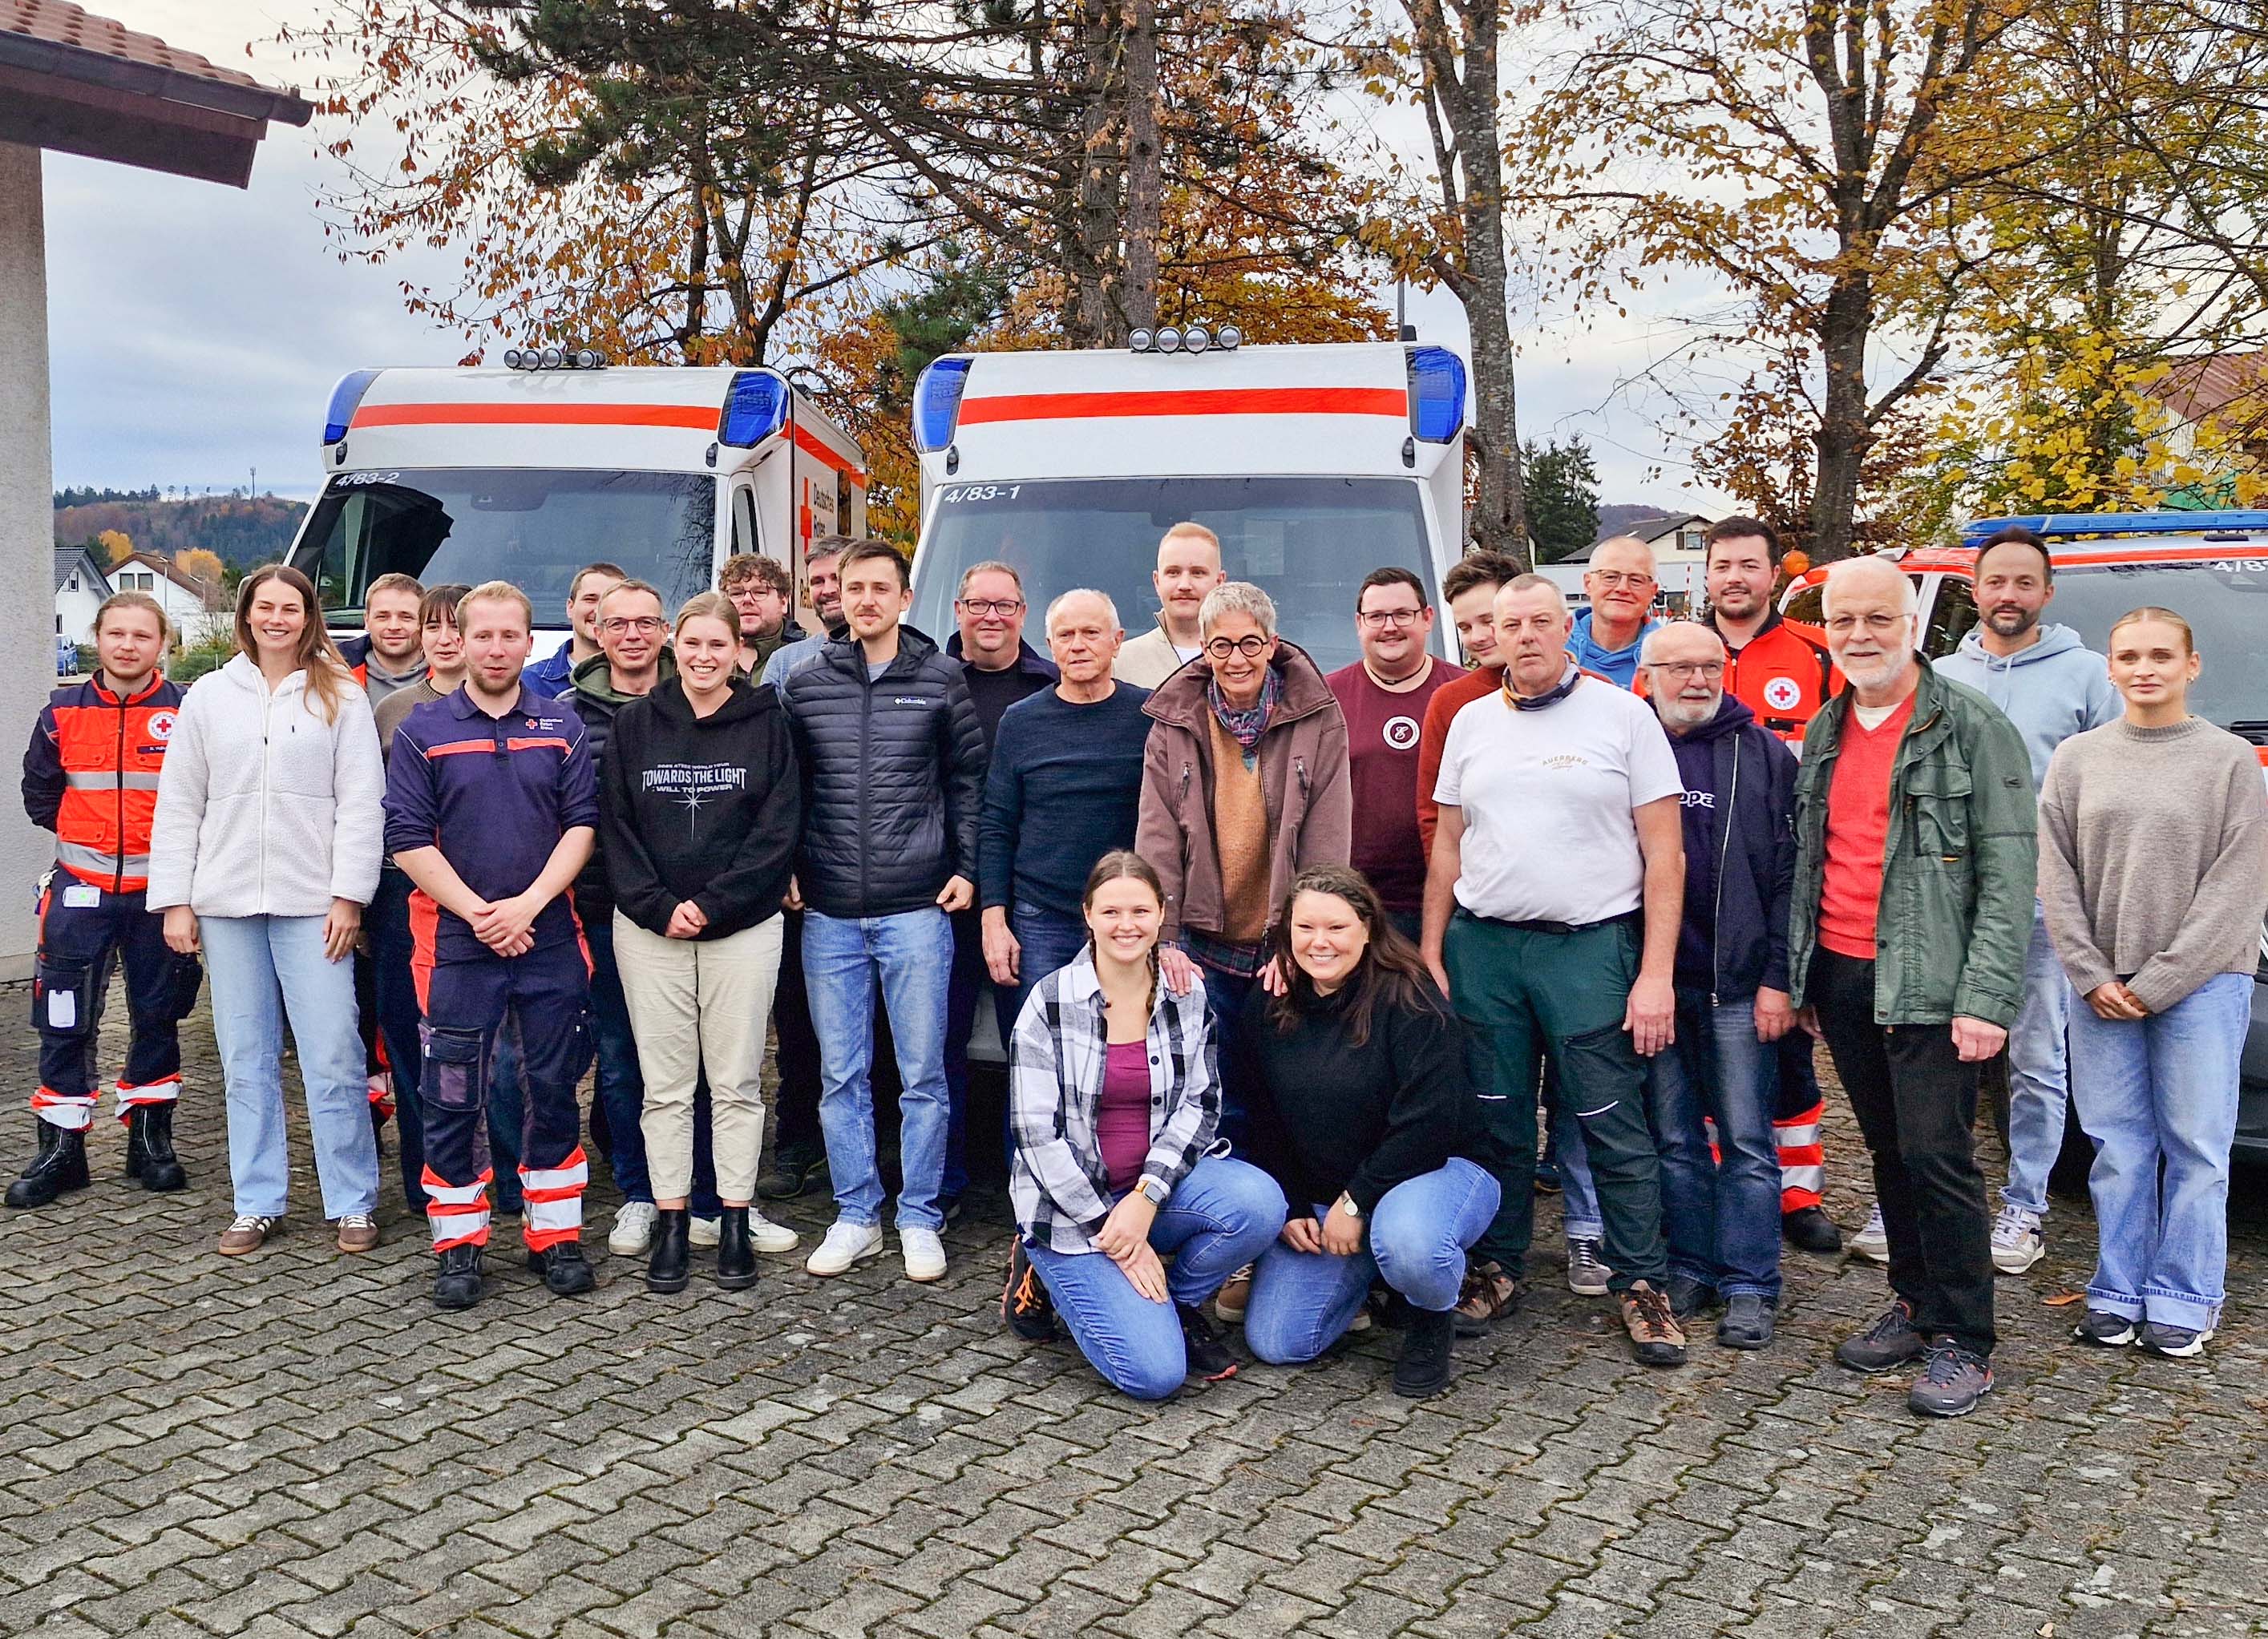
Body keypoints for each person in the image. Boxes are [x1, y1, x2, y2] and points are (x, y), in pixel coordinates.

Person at [1787, 555, 2035, 1418]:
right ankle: (1915, 1301)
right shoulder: (1825, 726)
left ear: (1913, 624)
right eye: (1842, 620)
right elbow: (1812, 859)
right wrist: (1805, 973)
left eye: (1877, 618)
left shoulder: (1971, 725)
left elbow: (2009, 870)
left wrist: (1986, 998)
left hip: (1934, 980)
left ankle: (1966, 1337)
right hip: (1844, 971)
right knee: (1889, 1152)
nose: (1859, 635)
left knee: (1939, 1156)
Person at [1422, 573, 1688, 1367]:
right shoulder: (1470, 721)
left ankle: (1640, 1281)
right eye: (1511, 625)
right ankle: (1498, 1265)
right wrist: (1433, 949)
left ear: (1565, 628)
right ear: (1492, 635)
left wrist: (1656, 973)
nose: (1527, 636)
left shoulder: (1624, 715)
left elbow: (1666, 853)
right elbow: (1447, 842)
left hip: (1589, 949)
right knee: (1495, 1118)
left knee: (1611, 1120)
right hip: (1485, 948)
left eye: (1541, 621)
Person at [2039, 608, 2268, 1359]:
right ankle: (2117, 1290)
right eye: (2129, 655)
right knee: (2116, 1144)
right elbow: (2055, 872)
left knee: (2196, 1145)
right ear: (2109, 667)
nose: (2144, 668)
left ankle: (2184, 1296)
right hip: (2100, 985)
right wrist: (2087, 970)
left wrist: (2161, 980)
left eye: (2161, 655)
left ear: (2189, 665)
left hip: (2203, 981)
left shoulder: (2230, 761)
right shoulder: (2077, 758)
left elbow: (2238, 884)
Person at [148, 565, 386, 1257]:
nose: (277, 619)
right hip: (226, 905)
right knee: (245, 1056)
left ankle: (352, 1199)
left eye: (291, 608)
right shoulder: (209, 696)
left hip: (314, 904)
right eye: (265, 607)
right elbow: (179, 803)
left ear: (308, 617)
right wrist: (176, 900)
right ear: (247, 615)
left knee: (333, 1051)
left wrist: (349, 895)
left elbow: (362, 803)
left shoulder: (339, 692)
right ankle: (257, 1201)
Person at [386, 581, 600, 1309]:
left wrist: (528, 905)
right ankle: (459, 1245)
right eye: (483, 634)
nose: (497, 647)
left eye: (511, 635)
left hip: (548, 936)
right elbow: (405, 837)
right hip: (455, 940)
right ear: (460, 639)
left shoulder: (563, 725)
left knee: (552, 1088)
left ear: (528, 642)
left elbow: (581, 824)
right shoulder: (421, 729)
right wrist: (480, 913)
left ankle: (555, 1235)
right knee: (453, 1096)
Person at [1003, 852, 1284, 1399]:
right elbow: (1035, 1135)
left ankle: (1175, 1303)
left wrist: (1146, 1197)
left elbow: (1200, 1105)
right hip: (1071, 1212)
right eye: (1111, 911)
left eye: (1139, 910)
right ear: (1088, 915)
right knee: (1154, 1375)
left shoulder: (1187, 995)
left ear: (1161, 914)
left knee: (1259, 1204)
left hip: (1151, 1194)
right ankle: (1042, 1268)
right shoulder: (1049, 1002)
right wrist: (1117, 1234)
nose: (1126, 925)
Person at [779, 541, 986, 1284]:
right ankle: (856, 1214)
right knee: (841, 1075)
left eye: (880, 588)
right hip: (829, 910)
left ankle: (919, 1215)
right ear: (835, 597)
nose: (865, 599)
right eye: (853, 587)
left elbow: (967, 780)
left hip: (916, 908)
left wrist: (967, 867)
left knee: (923, 1074)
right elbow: (788, 788)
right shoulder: (805, 683)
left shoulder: (940, 678)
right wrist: (788, 866)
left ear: (904, 598)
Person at [1931, 526, 2119, 1276]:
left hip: (2042, 903)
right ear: (1974, 590)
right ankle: (1924, 1197)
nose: (2007, 595)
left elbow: (2111, 786)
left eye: (2022, 582)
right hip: (1950, 900)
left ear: (2046, 591)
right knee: (1933, 1053)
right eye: (1994, 581)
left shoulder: (2086, 675)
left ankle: (2024, 1206)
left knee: (2036, 1058)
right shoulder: (1941, 675)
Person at [604, 593, 804, 1292]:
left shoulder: (769, 724)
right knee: (665, 1087)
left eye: (718, 644)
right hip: (649, 931)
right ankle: (671, 1218)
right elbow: (615, 827)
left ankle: (736, 1216)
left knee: (736, 1083)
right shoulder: (634, 724)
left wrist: (715, 903)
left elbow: (778, 830)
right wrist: (660, 906)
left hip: (742, 929)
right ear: (673, 645)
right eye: (692, 643)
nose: (703, 656)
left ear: (738, 651)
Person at [1238, 868, 1502, 1397]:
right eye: (1305, 927)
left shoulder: (1410, 998)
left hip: (1435, 1171)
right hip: (1326, 1196)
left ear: (1367, 929)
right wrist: (1291, 1205)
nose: (1320, 942)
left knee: (1411, 1244)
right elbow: (1261, 1117)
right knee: (1277, 1341)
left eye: (1336, 927)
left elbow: (1428, 1123)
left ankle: (1429, 1314)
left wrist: (1357, 1200)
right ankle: (1371, 1275)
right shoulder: (1268, 1002)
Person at [1134, 580, 1352, 1129]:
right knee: (1214, 1088)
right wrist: (1166, 938)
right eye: (1222, 645)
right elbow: (1157, 836)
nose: (1237, 659)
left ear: (1272, 645)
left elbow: (1327, 840)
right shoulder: (1173, 721)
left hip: (1283, 947)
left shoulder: (1318, 716)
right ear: (1205, 650)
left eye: (1250, 643)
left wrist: (1300, 941)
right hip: (1203, 948)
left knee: (1289, 1091)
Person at [8, 591, 200, 1209]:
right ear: (98, 636)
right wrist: (85, 842)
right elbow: (40, 793)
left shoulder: (187, 711)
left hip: (160, 894)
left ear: (162, 644)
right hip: (80, 887)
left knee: (158, 1015)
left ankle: (149, 1142)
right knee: (64, 1018)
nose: (127, 645)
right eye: (117, 633)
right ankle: (62, 1150)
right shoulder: (61, 712)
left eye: (142, 635)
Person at [1637, 623, 1797, 1348]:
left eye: (1709, 665)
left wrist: (1778, 979)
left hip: (1736, 983)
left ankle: (1749, 1283)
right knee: (1673, 1138)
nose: (1697, 679)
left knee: (1745, 1140)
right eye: (1679, 667)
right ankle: (1690, 1266)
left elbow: (1791, 875)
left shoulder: (1761, 753)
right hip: (1655, 983)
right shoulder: (1630, 747)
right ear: (1648, 676)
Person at [1696, 516, 1846, 1256]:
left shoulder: (1816, 656)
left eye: (1748, 565)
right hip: (1701, 880)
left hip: (1789, 875)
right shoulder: (1676, 655)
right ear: (1706, 575)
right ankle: (1719, 1178)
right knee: (1706, 1047)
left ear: (1770, 575)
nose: (1734, 577)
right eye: (1721, 564)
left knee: (1785, 1043)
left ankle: (1797, 1192)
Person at [980, 590, 1153, 1034]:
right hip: (1042, 919)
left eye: (1091, 633)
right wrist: (994, 917)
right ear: (1050, 646)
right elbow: (997, 825)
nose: (1078, 645)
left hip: (1127, 920)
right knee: (1038, 1050)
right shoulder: (1020, 722)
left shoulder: (1150, 717)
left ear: (1117, 641)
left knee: (1124, 1047)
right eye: (1065, 635)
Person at [942, 562, 1058, 1215]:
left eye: (1004, 605)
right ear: (958, 609)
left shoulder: (1048, 686)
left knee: (1034, 1050)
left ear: (1022, 612)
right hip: (944, 893)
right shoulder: (932, 682)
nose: (991, 616)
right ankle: (946, 1182)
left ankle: (1032, 1185)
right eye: (978, 604)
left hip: (1026, 896)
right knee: (941, 1048)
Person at [568, 579, 677, 1258]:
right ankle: (638, 1190)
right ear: (597, 633)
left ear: (664, 631)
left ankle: (703, 1191)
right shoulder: (565, 715)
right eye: (618, 624)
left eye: (645, 623)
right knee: (619, 1059)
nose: (633, 635)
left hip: (686, 913)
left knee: (695, 1064)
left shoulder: (696, 700)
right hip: (603, 909)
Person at [369, 582, 474, 1210]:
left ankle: (494, 1171)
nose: (444, 638)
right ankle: (422, 1172)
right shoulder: (391, 712)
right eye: (432, 626)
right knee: (410, 1038)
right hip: (401, 894)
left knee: (485, 1043)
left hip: (485, 893)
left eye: (456, 625)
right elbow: (368, 809)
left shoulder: (521, 707)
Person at [1325, 567, 1457, 941]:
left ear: (1427, 618)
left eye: (1402, 614)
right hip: (1354, 902)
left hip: (1449, 901)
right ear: (1359, 623)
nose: (1389, 627)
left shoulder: (1463, 693)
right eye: (1377, 617)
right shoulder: (1326, 697)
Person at [1414, 551, 1524, 862]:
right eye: (1464, 627)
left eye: (1488, 621)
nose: (1477, 637)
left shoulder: (1591, 690)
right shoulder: (1450, 701)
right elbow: (1433, 813)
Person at [1114, 523, 1227, 688]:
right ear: (1157, 581)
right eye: (1173, 573)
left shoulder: (1250, 658)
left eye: (1198, 573)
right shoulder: (1119, 663)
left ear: (1219, 581)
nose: (1184, 585)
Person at [1565, 536, 1662, 688]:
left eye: (1636, 580)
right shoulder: (1553, 648)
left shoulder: (1670, 656)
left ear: (1652, 591)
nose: (1622, 588)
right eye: (1610, 577)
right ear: (1588, 583)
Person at [762, 536, 854, 690]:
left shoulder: (887, 657)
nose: (828, 590)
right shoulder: (783, 663)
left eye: (837, 579)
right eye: (818, 581)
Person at [524, 561, 625, 698]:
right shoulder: (529, 683)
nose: (598, 611)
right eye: (590, 599)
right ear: (570, 608)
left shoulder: (646, 684)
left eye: (610, 602)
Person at [341, 571, 427, 711]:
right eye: (382, 617)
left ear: (423, 621)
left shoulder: (453, 673)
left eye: (406, 617)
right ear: (366, 620)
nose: (394, 627)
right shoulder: (334, 671)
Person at [720, 552, 802, 676]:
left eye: (760, 592)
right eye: (736, 593)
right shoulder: (704, 655)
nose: (747, 599)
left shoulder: (807, 655)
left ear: (784, 602)